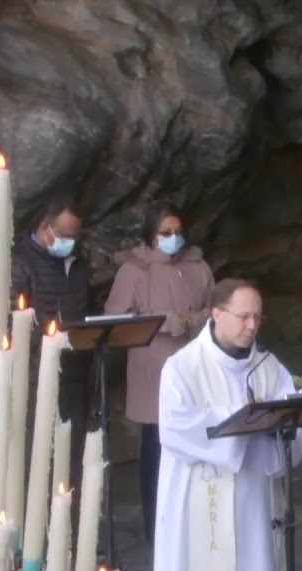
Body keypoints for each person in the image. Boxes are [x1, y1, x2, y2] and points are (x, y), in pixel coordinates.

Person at [151, 278, 302, 571]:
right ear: (215, 314)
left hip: (256, 499)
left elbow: (292, 417)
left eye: (258, 316)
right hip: (205, 502)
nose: (252, 325)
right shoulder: (182, 368)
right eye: (243, 316)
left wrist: (289, 424)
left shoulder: (268, 368)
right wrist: (240, 422)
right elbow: (177, 428)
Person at [103, 202, 214, 545]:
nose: (173, 238)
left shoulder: (197, 264)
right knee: (155, 449)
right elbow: (115, 319)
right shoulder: (134, 271)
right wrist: (160, 320)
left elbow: (217, 306)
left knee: (197, 447)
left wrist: (196, 320)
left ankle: (196, 527)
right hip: (154, 369)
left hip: (194, 365)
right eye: (165, 233)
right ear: (150, 236)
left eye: (178, 231)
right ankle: (157, 531)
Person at [10, 195, 93, 530]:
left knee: (72, 459)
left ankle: (68, 530)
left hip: (75, 374)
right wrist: (50, 337)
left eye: (75, 236)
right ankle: (36, 532)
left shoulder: (78, 262)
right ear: (45, 228)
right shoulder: (21, 264)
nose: (69, 242)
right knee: (37, 458)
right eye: (64, 234)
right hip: (36, 376)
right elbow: (14, 318)